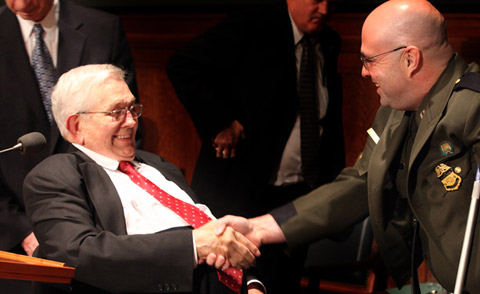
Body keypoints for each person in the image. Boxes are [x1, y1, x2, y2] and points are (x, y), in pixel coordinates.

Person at [216, 0, 480, 292]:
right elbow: (360, 183)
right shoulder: (398, 107)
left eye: (370, 60)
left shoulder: (473, 107)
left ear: (410, 59)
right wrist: (260, 227)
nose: (364, 72)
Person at [22, 64, 264, 294]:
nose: (131, 121)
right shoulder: (56, 174)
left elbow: (211, 228)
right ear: (76, 126)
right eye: (116, 112)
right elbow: (77, 253)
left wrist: (252, 284)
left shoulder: (157, 165)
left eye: (132, 109)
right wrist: (193, 245)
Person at [166, 0, 344, 292]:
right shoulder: (252, 24)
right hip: (241, 191)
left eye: (331, 1)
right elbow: (182, 65)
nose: (325, 9)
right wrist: (221, 121)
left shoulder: (329, 41)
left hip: (299, 192)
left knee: (284, 282)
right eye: (316, 0)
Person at [0, 1, 142, 291]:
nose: (22, 4)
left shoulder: (103, 28)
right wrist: (22, 228)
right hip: (16, 237)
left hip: (104, 229)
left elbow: (127, 122)